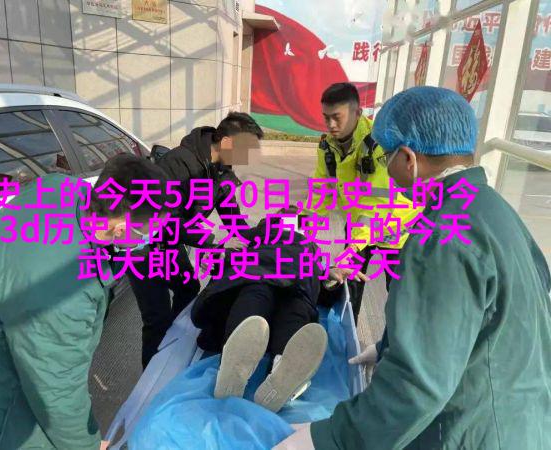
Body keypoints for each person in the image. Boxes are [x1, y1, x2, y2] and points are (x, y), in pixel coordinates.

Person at [275, 86, 551, 449]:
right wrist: (389, 344)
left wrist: (327, 438)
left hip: (476, 430)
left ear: (407, 158)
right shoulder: (493, 209)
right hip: (524, 417)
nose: (387, 169)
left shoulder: (440, 236)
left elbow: (417, 386)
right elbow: (471, 312)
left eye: (388, 157)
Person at [0, 154, 169, 449]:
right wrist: (87, 444)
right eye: (146, 232)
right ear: (120, 228)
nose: (149, 240)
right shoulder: (64, 290)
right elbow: (56, 390)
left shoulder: (62, 187)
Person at [128, 112, 264, 368]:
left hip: (169, 243)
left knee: (188, 288)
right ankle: (151, 377)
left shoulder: (221, 170)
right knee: (156, 317)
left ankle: (171, 347)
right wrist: (214, 241)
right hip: (142, 246)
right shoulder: (178, 165)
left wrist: (267, 231)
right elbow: (165, 219)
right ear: (227, 143)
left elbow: (233, 219)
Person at [191, 210, 354, 412]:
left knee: (273, 302)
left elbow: (322, 289)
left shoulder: (310, 249)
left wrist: (331, 278)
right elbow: (221, 256)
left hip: (280, 278)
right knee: (284, 304)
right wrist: (220, 251)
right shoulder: (267, 233)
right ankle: (264, 365)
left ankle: (271, 371)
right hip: (278, 275)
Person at [311, 83, 420, 323]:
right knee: (348, 285)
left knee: (400, 294)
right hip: (359, 222)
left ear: (357, 113)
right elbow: (322, 189)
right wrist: (304, 226)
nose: (331, 125)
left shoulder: (379, 143)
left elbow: (377, 202)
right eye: (326, 118)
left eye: (337, 117)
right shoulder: (327, 145)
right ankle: (348, 334)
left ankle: (394, 342)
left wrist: (352, 248)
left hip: (394, 226)